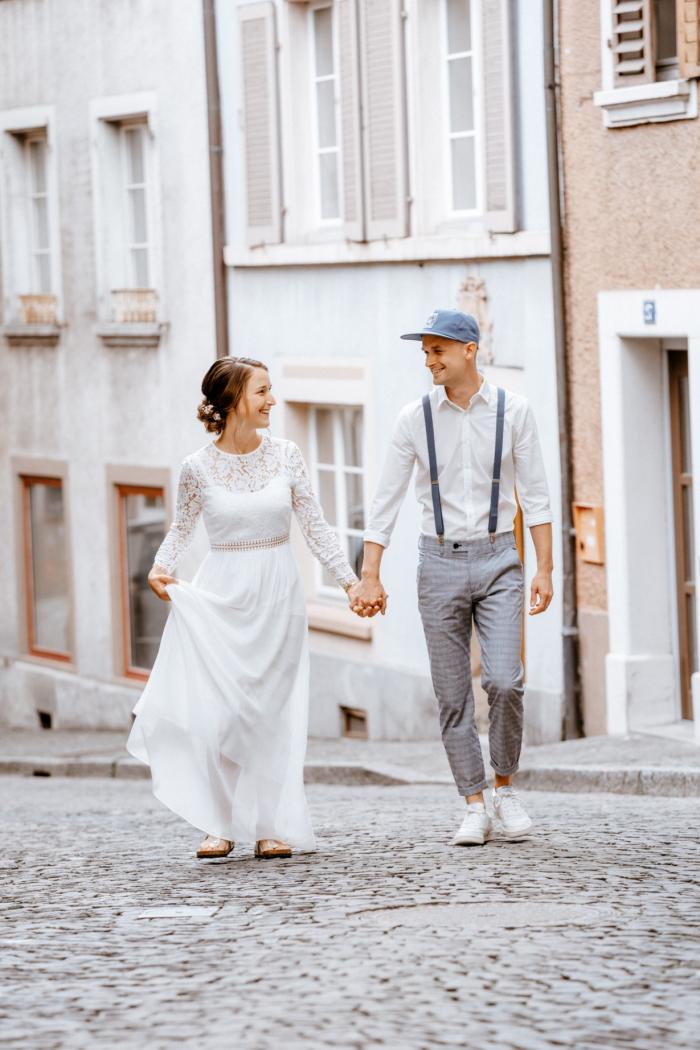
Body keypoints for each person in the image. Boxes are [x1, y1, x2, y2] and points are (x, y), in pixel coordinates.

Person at [127, 356, 361, 859]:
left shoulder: (288, 455)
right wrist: (159, 568)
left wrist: (350, 583)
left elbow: (315, 526)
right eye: (262, 391)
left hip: (278, 594)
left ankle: (270, 825)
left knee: (269, 713)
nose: (272, 400)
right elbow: (181, 527)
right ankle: (219, 822)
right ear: (233, 400)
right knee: (222, 713)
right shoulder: (196, 468)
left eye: (271, 390)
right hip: (221, 597)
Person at [350, 310, 553, 846]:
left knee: (505, 680)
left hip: (500, 558)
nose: (429, 361)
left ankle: (504, 787)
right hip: (437, 562)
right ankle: (473, 802)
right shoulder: (413, 419)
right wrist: (369, 574)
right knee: (452, 694)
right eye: (425, 353)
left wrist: (546, 568)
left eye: (438, 350)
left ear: (469, 349)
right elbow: (384, 503)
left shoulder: (515, 412)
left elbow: (536, 497)